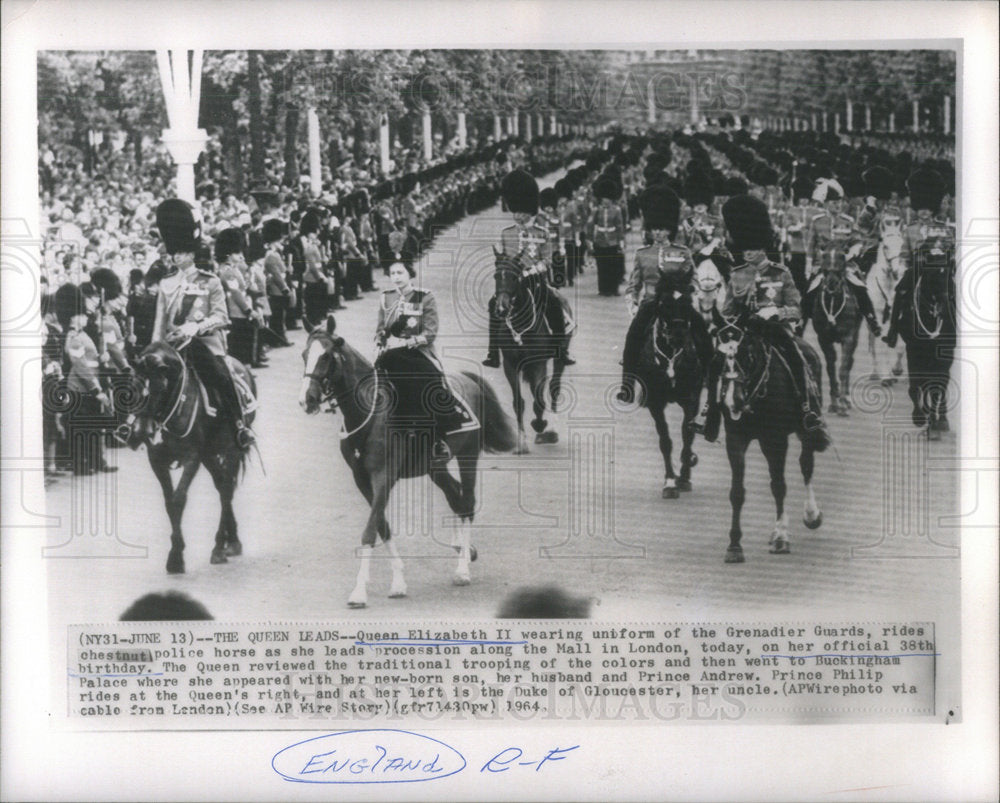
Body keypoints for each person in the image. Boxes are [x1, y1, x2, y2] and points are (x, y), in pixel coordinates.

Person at [703, 195, 831, 451]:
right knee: (716, 362)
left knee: (799, 355)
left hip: (774, 331)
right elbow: (728, 310)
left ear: (763, 246)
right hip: (744, 333)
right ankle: (709, 413)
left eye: (753, 247)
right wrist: (723, 323)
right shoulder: (737, 275)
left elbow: (797, 309)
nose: (748, 252)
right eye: (745, 247)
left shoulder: (781, 273)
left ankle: (807, 409)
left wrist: (777, 312)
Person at [149, 198, 255, 450]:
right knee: (149, 379)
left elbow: (221, 316)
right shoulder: (165, 283)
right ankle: (148, 427)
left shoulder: (211, 281)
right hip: (172, 347)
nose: (177, 256)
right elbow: (159, 323)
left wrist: (196, 327)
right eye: (174, 252)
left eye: (183, 252)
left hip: (204, 344)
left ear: (193, 253)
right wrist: (153, 349)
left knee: (220, 375)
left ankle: (239, 425)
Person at [618, 184, 711, 405]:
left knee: (702, 334)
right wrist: (632, 302)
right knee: (632, 338)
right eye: (654, 229)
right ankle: (627, 385)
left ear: (670, 229)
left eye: (662, 229)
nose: (658, 233)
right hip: (651, 303)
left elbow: (694, 278)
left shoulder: (683, 252)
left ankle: (708, 375)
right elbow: (634, 284)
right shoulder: (643, 254)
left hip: (677, 304)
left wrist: (692, 293)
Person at [375, 262, 471, 463]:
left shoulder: (424, 296)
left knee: (428, 383)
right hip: (391, 352)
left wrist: (413, 341)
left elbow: (430, 331)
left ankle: (438, 436)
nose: (396, 277)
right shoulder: (386, 298)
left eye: (400, 272)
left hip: (417, 352)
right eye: (392, 273)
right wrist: (380, 338)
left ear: (410, 274)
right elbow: (380, 328)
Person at [483, 168, 573, 368]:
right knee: (493, 305)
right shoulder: (506, 233)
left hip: (535, 281)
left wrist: (531, 271)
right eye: (515, 212)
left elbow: (548, 260)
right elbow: (503, 258)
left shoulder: (542, 233)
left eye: (522, 212)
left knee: (554, 304)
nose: (518, 216)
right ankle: (493, 352)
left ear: (530, 212)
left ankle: (560, 350)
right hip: (513, 282)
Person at [801, 178, 881, 336]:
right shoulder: (817, 222)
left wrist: (850, 254)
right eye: (832, 203)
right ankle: (800, 322)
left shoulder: (848, 221)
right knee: (809, 292)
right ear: (825, 204)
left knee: (860, 288)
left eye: (838, 203)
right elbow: (810, 246)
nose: (836, 206)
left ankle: (871, 319)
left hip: (844, 266)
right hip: (823, 266)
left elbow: (857, 242)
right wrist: (809, 266)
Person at [55, 282, 118, 475]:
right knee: (80, 429)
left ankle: (94, 460)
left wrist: (102, 358)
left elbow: (91, 360)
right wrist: (96, 390)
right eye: (81, 315)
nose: (85, 318)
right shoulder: (74, 336)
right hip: (81, 388)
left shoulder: (82, 335)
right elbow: (81, 366)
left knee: (92, 426)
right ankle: (80, 464)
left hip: (90, 385)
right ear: (74, 318)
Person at [590, 175, 626, 296]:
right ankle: (603, 288)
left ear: (611, 199)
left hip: (612, 240)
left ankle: (613, 288)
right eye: (603, 198)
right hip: (600, 240)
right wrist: (590, 240)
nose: (605, 200)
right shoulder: (597, 210)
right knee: (602, 265)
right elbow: (591, 224)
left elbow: (620, 227)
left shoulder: (617, 210)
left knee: (613, 266)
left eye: (607, 198)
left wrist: (621, 241)